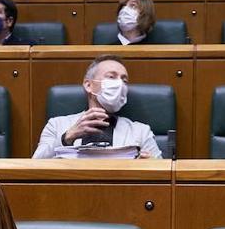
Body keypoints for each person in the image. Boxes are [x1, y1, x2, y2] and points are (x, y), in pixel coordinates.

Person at [33, 55, 161, 159]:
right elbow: (36, 166)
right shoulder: (56, 125)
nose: (120, 84)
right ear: (88, 85)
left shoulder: (141, 131)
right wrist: (67, 138)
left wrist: (149, 163)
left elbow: (163, 172)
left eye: (124, 80)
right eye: (111, 77)